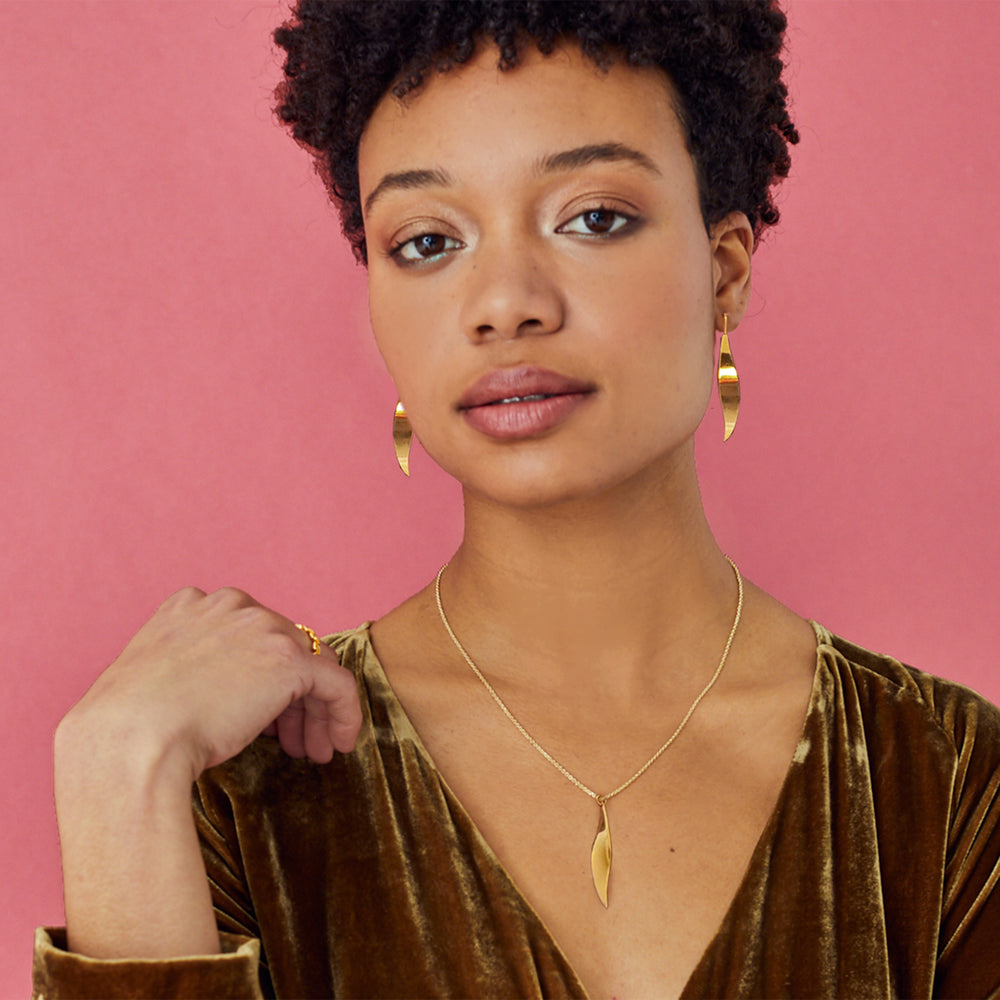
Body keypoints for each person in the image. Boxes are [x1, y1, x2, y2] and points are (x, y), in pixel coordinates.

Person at [32, 1, 1000, 997]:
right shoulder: (241, 800)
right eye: (424, 242)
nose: (506, 302)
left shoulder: (946, 779)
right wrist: (113, 771)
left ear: (724, 273)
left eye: (592, 217)